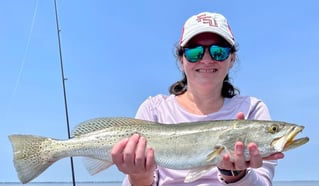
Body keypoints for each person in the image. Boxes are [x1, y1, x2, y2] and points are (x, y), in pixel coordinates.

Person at [111, 12, 284, 185]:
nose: (207, 60)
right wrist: (138, 176)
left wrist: (236, 175)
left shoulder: (252, 108)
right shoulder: (153, 109)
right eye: (195, 51)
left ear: (231, 59)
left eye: (219, 51)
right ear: (181, 59)